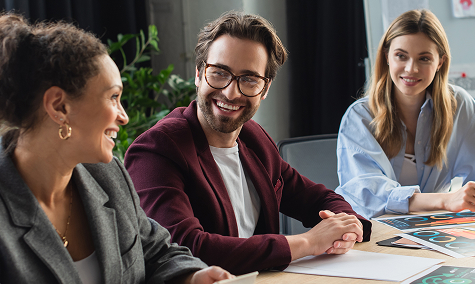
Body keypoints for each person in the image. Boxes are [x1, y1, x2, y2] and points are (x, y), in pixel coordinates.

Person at [0, 14, 233, 284]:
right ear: (59, 106)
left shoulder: (107, 173)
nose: (123, 115)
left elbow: (156, 252)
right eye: (113, 97)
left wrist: (193, 276)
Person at [124, 11, 372, 275]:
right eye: (219, 73)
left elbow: (316, 198)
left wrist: (346, 225)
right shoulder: (157, 150)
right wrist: (308, 242)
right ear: (198, 74)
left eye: (249, 79)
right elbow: (186, 249)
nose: (231, 92)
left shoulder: (253, 138)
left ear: (264, 89)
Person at [335, 9, 475, 219]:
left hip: (435, 228)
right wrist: (446, 200)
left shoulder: (459, 104)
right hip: (373, 232)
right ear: (387, 57)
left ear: (440, 63)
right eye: (401, 56)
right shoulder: (360, 116)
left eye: (424, 58)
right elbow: (367, 195)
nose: (411, 69)